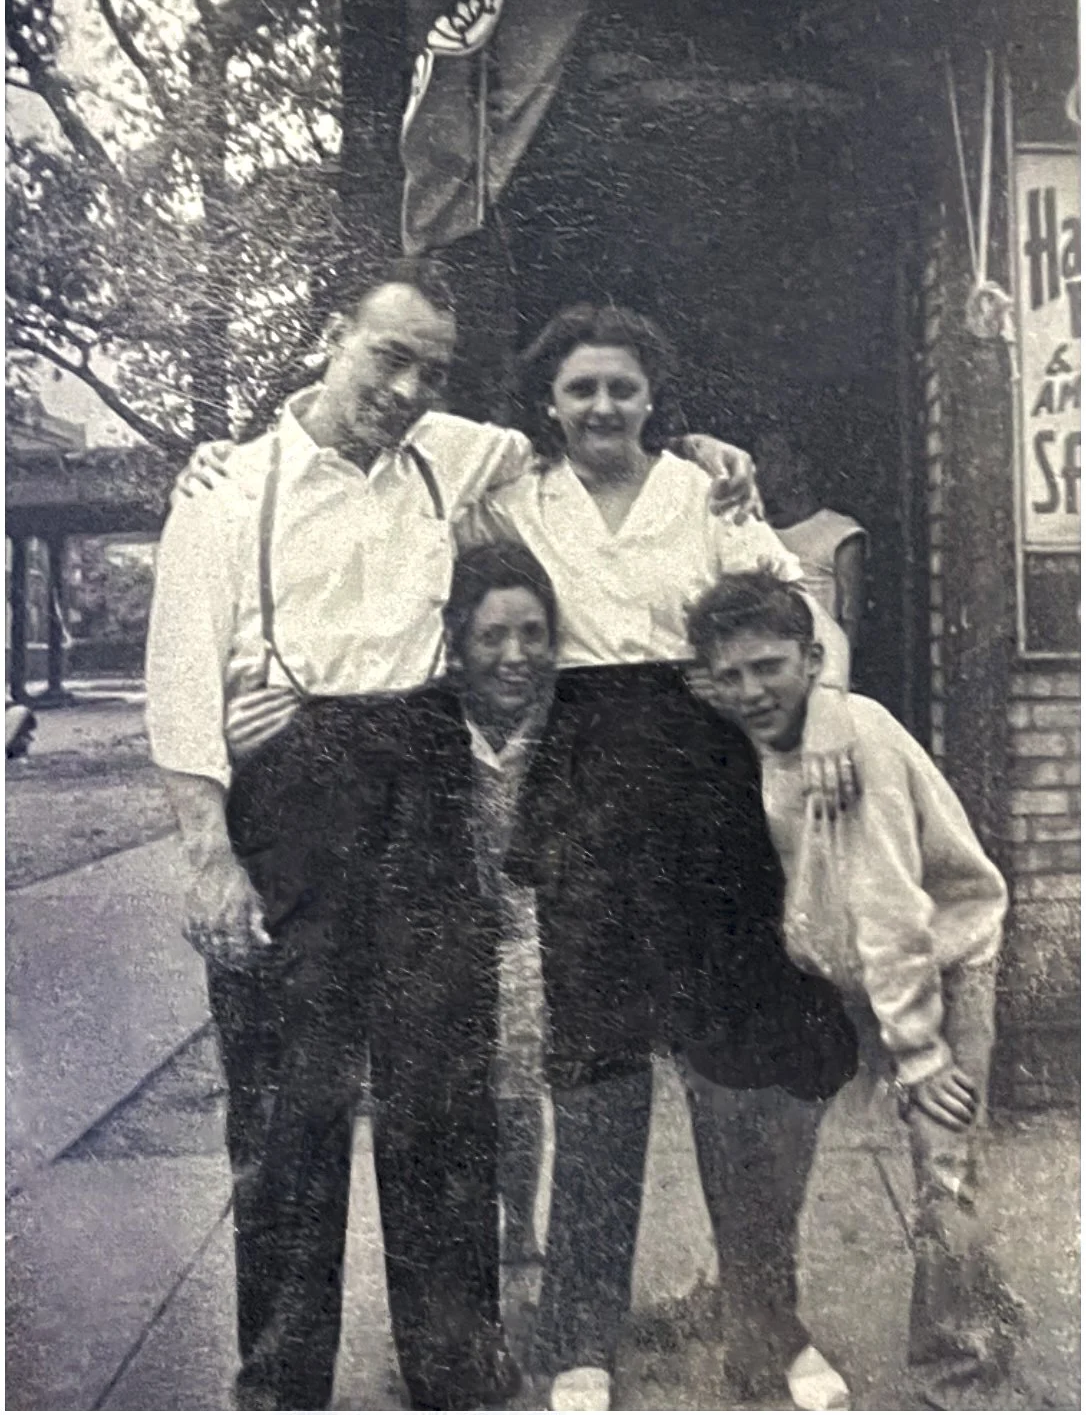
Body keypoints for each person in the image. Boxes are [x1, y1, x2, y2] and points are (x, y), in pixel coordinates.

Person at [148, 260, 759, 1411]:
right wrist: (209, 852)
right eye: (390, 355)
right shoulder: (228, 491)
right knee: (291, 1106)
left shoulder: (458, 453)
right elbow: (180, 680)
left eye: (431, 368)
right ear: (331, 337)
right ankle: (281, 1378)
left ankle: (451, 1361)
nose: (408, 385)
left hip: (423, 775)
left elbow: (597, 434)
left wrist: (714, 451)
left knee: (441, 1094)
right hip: (293, 788)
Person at [458, 304, 862, 1411]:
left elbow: (794, 595)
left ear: (652, 398)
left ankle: (767, 1328)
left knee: (738, 1071)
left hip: (709, 778)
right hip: (585, 781)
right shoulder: (509, 501)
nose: (601, 407)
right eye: (582, 388)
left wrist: (821, 704)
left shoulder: (705, 492)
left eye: (622, 389)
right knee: (596, 1072)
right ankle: (580, 1337)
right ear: (549, 399)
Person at [684, 571, 1024, 1411]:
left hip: (935, 960)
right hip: (839, 969)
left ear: (812, 659)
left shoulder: (853, 741)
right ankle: (767, 1320)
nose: (751, 691)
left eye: (768, 667)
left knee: (943, 1149)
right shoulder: (756, 739)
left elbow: (891, 905)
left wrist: (917, 1051)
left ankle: (962, 1356)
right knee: (772, 1128)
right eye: (728, 676)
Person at [441, 544, 557, 1270]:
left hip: (530, 930)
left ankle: (518, 1225)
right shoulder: (433, 720)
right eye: (492, 637)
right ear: (460, 642)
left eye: (532, 635)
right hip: (448, 926)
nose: (515, 655)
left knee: (517, 1082)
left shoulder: (562, 723)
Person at [754, 425, 867, 664]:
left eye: (772, 458)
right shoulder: (756, 530)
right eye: (758, 458)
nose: (759, 470)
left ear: (799, 465)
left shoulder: (839, 532)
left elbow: (851, 620)